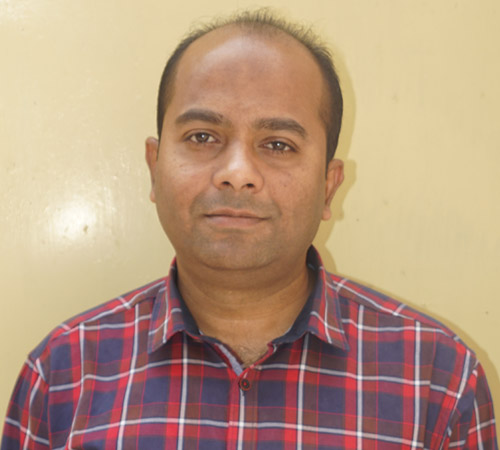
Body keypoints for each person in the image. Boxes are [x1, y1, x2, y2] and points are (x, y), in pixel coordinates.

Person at [2, 9, 497, 450]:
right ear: (154, 168)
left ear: (328, 187)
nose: (237, 173)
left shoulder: (439, 380)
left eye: (278, 144)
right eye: (202, 136)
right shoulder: (61, 376)